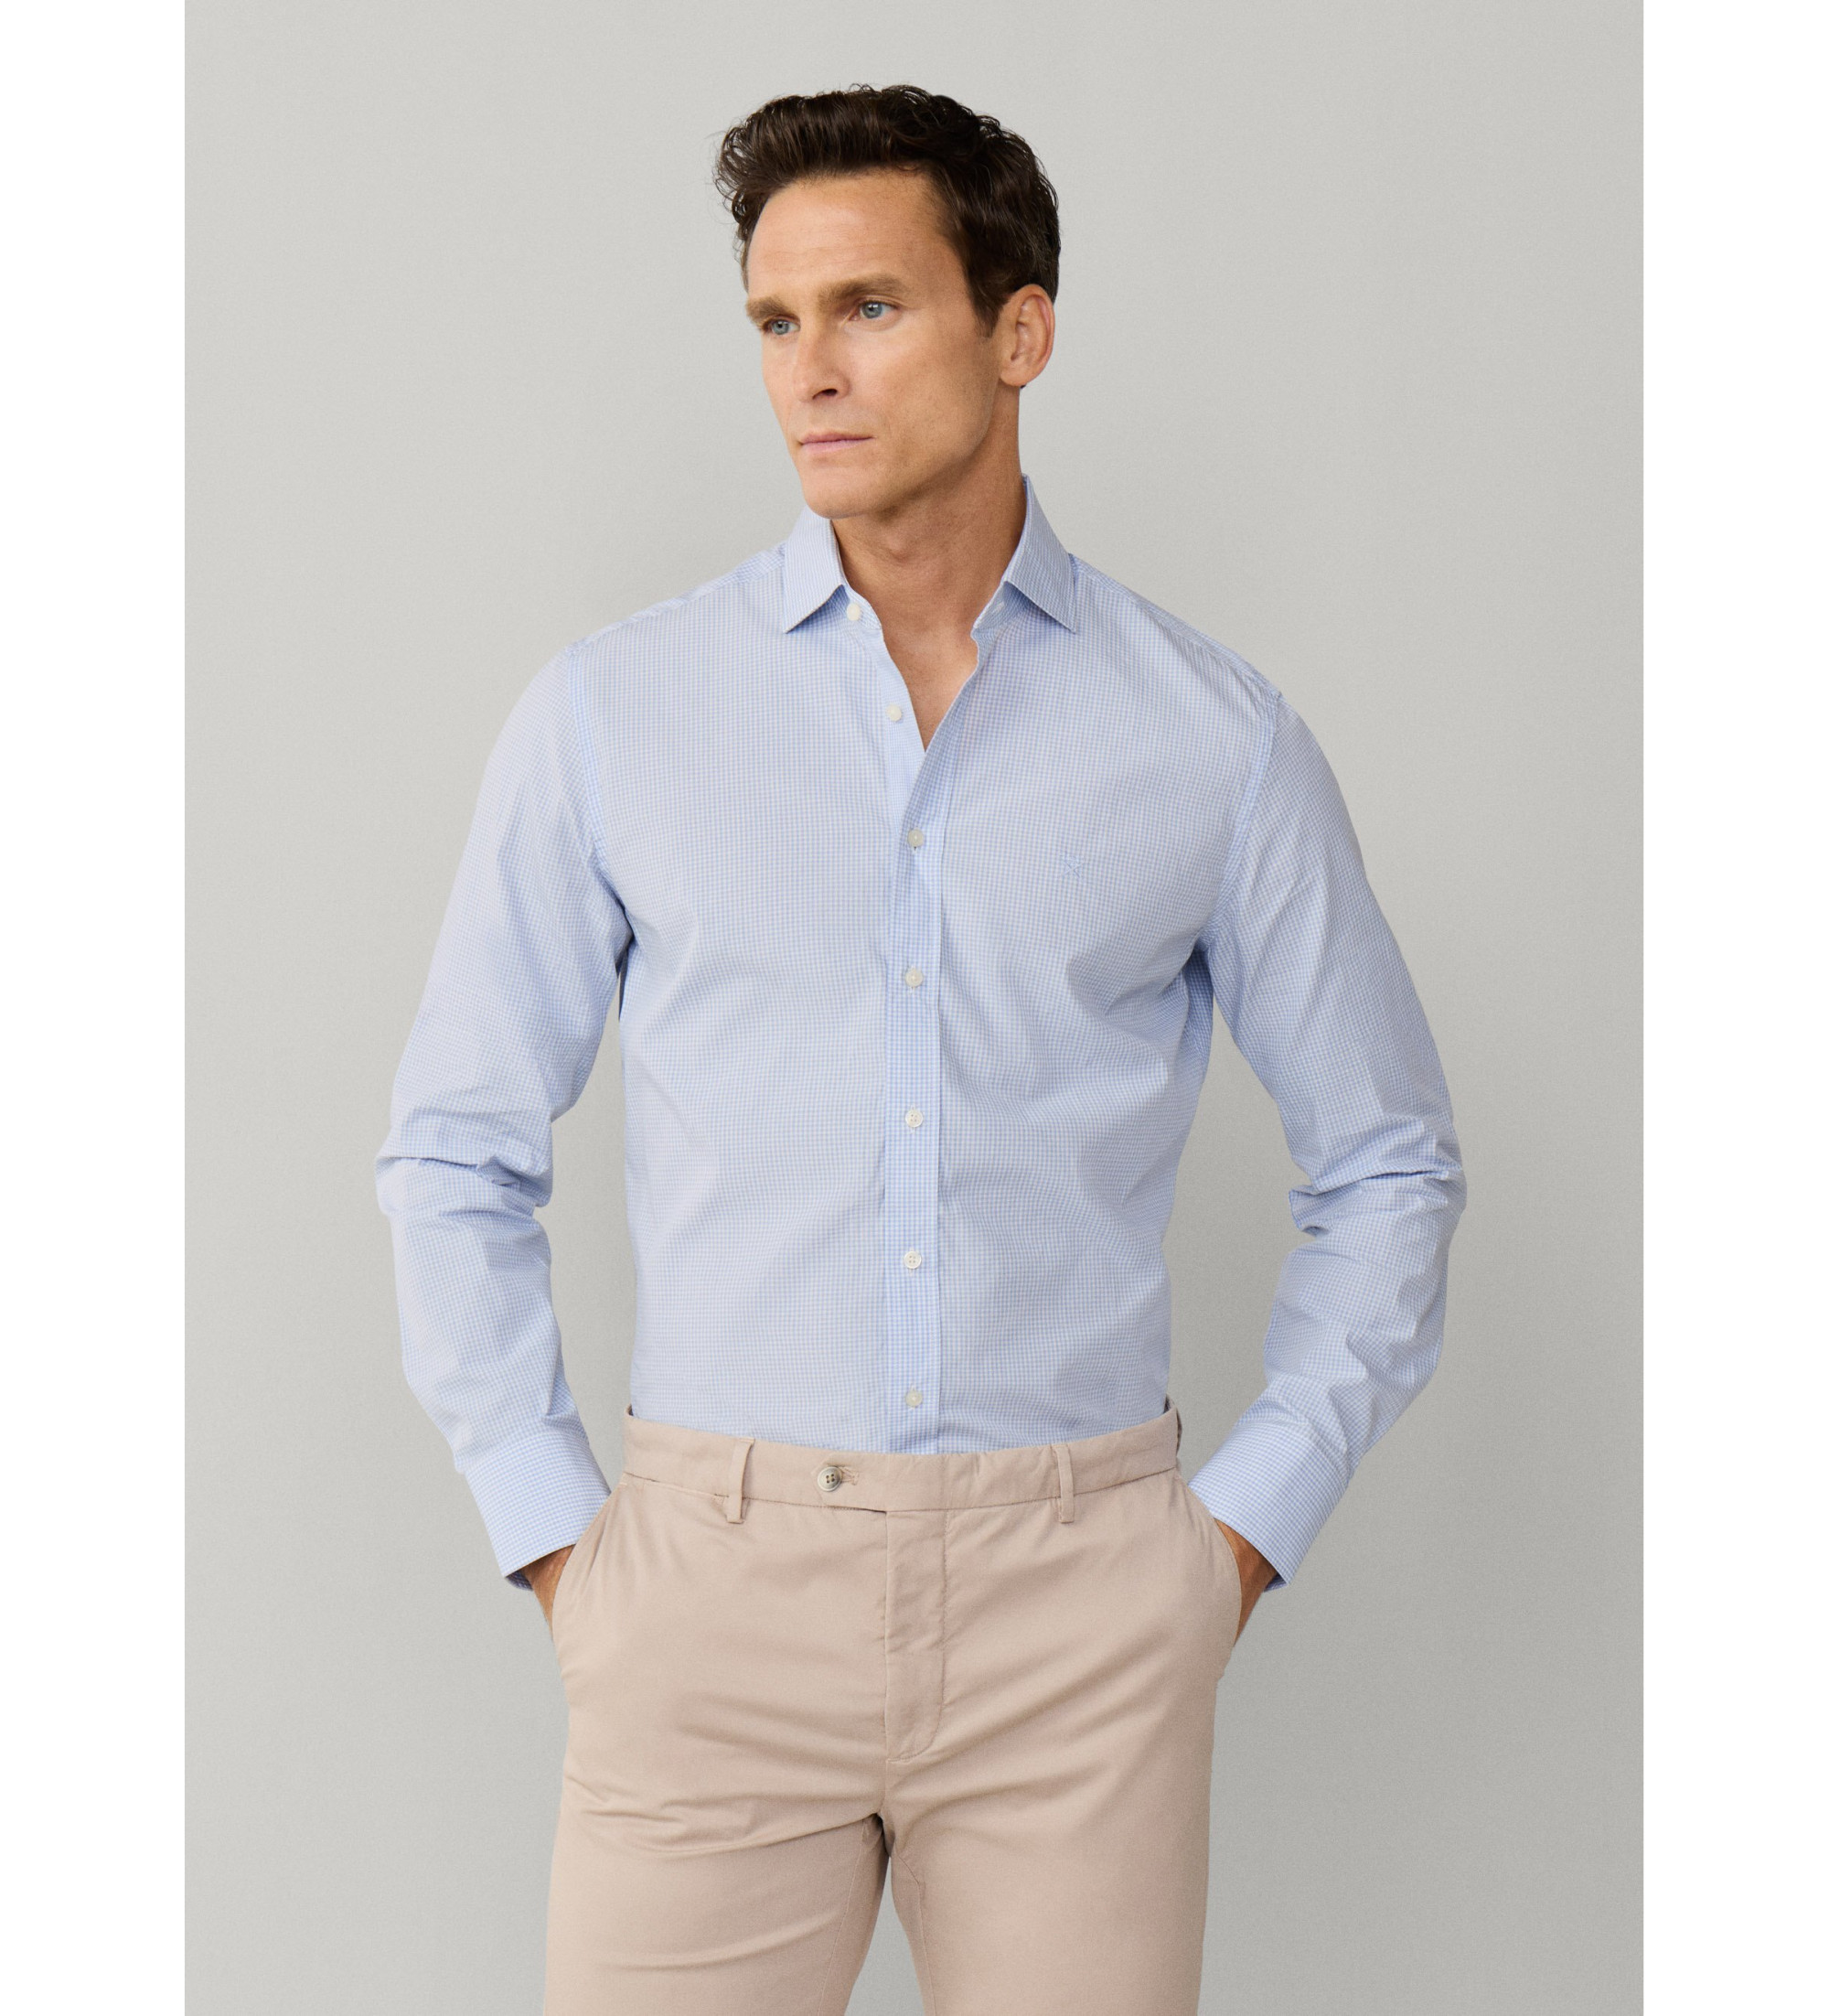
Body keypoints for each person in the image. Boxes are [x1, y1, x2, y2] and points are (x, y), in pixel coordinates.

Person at [376, 82, 1465, 2016]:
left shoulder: (1209, 738)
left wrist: (1229, 1543)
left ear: (1017, 330)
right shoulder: (618, 713)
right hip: (706, 1606)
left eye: (868, 308)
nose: (809, 370)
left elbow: (1389, 1162)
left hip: (1080, 1611)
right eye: (774, 320)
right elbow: (453, 1147)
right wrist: (561, 1543)